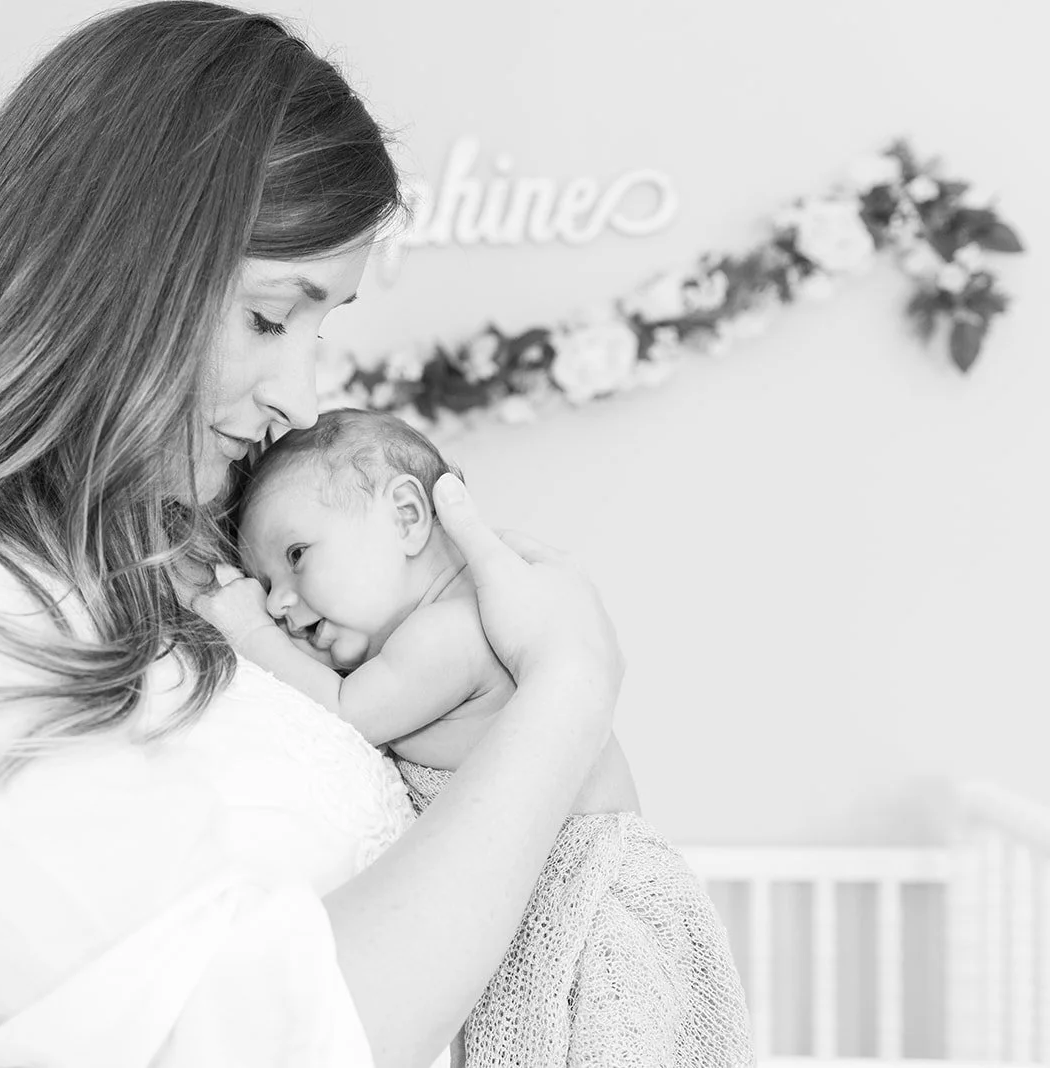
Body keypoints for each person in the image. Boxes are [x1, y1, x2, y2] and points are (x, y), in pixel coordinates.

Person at [0, 5, 628, 1067]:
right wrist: (567, 688)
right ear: (114, 270)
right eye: (269, 317)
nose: (300, 399)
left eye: (320, 327)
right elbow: (255, 1043)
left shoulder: (195, 557)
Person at [198, 408, 753, 1067]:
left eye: (296, 557)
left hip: (592, 902)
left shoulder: (451, 632)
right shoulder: (429, 635)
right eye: (265, 587)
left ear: (407, 516)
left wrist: (248, 631)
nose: (279, 604)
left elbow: (344, 712)